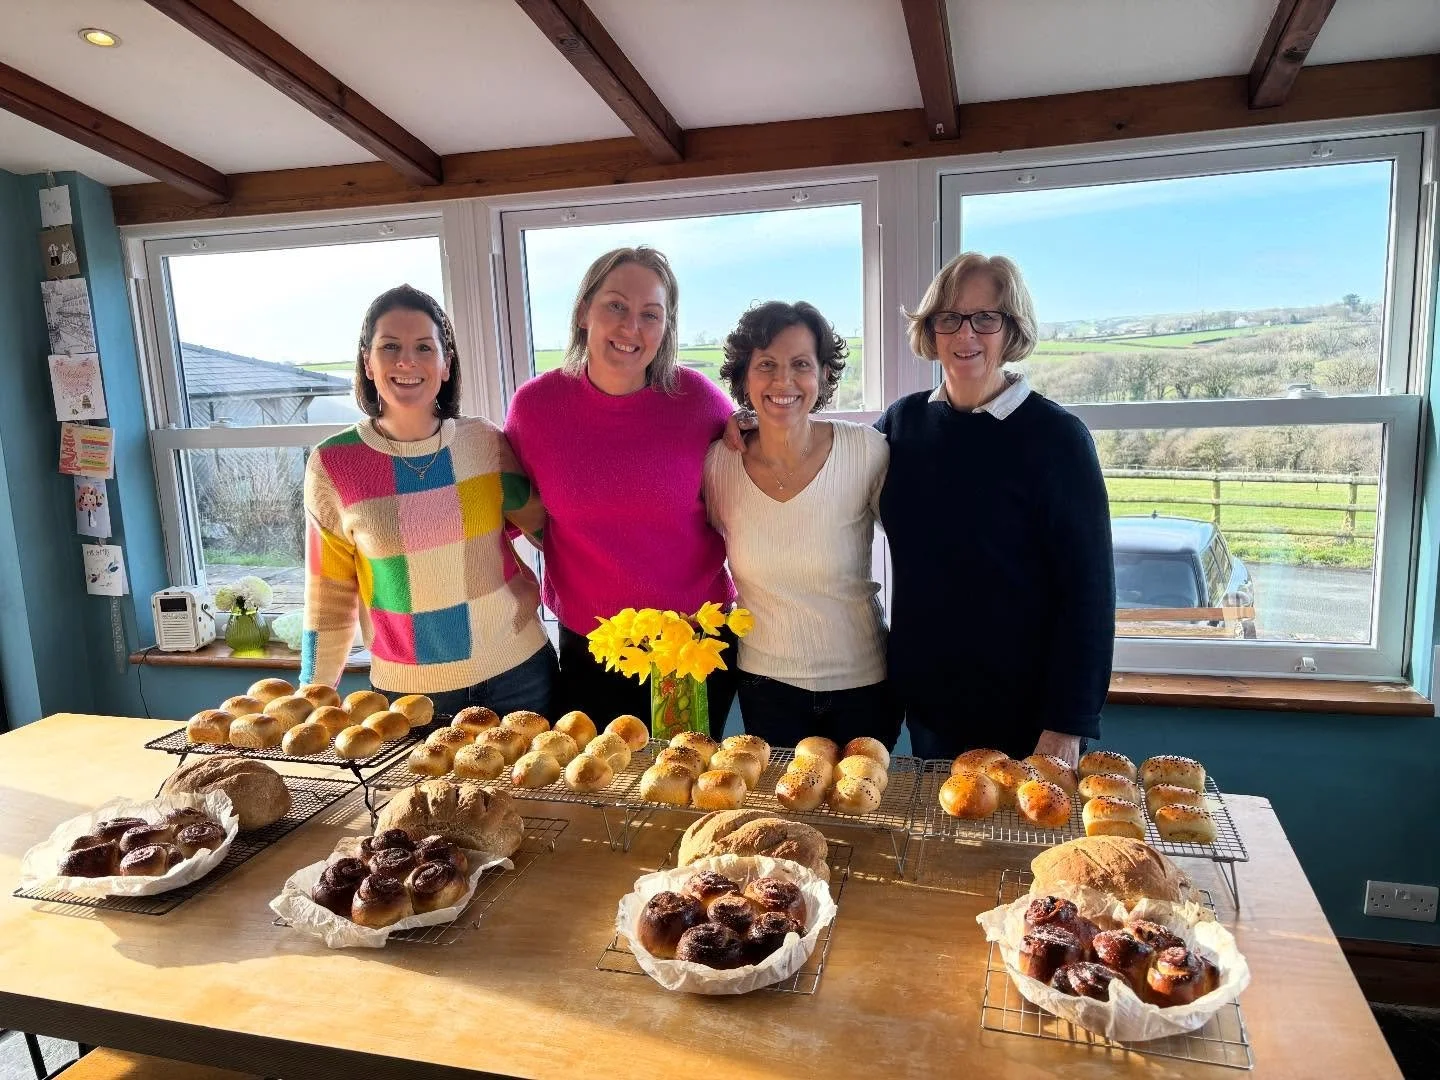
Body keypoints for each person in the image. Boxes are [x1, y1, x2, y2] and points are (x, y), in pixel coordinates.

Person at [875, 253, 1114, 766]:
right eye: (950, 318)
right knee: (937, 846)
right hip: (931, 706)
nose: (967, 335)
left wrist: (1066, 726)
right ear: (931, 330)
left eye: (987, 318)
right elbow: (824, 468)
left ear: (1011, 329)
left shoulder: (1057, 439)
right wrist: (751, 429)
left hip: (1028, 716)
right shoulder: (905, 424)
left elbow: (1089, 594)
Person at [504, 247, 740, 733]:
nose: (632, 327)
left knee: (683, 787)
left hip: (688, 645)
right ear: (583, 311)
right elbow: (532, 515)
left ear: (666, 328)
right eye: (616, 306)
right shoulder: (535, 408)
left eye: (650, 314)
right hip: (592, 645)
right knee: (602, 792)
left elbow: (749, 484)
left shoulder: (699, 401)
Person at [300, 284, 556, 717]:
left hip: (520, 673)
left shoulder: (484, 443)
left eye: (424, 347)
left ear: (445, 364)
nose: (407, 361)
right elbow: (329, 594)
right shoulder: (334, 464)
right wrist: (312, 694)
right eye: (390, 347)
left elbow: (550, 531)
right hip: (412, 698)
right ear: (367, 362)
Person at [703, 301, 899, 750]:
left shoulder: (866, 451)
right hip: (766, 687)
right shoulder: (719, 466)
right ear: (744, 377)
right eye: (766, 365)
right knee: (780, 819)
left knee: (864, 815)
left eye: (801, 365)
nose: (783, 381)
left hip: (864, 684)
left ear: (824, 374)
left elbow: (924, 547)